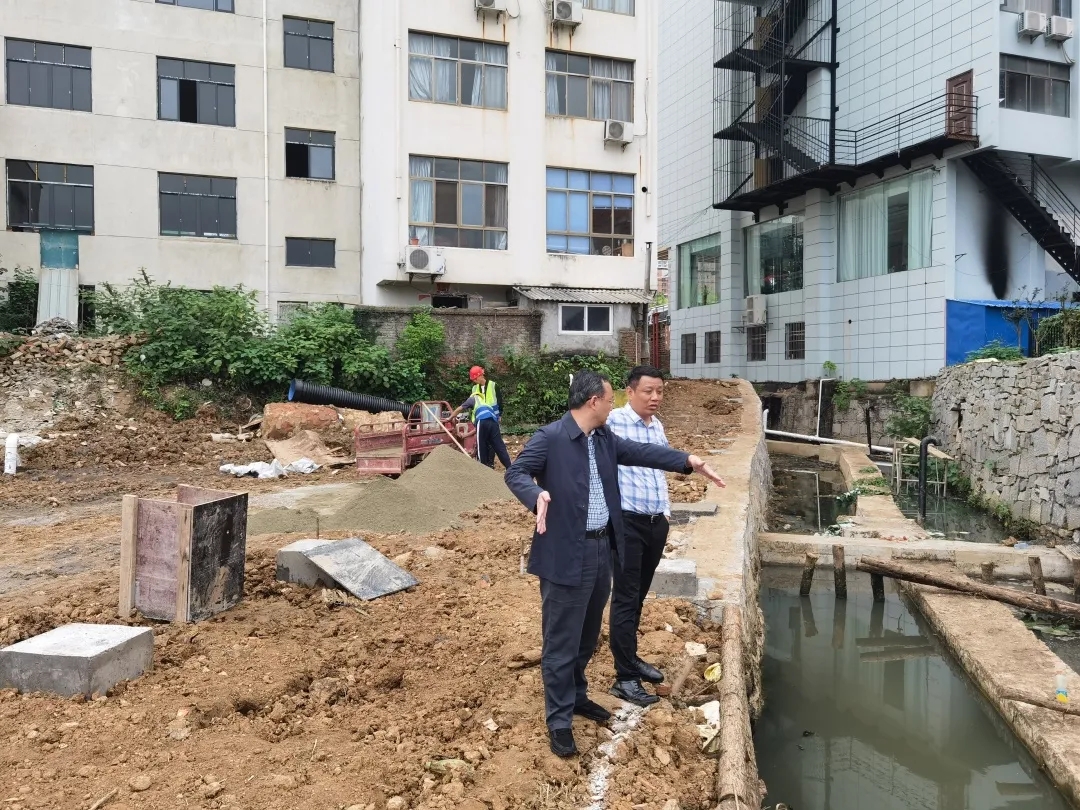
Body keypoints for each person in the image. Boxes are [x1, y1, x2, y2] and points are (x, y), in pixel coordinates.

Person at [504, 370, 725, 758]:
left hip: (600, 550)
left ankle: (576, 696)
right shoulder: (551, 437)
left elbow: (641, 452)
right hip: (565, 553)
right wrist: (535, 494)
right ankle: (559, 720)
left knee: (587, 636)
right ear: (594, 402)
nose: (613, 406)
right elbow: (516, 471)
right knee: (561, 641)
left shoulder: (603, 438)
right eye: (610, 400)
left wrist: (687, 461)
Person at [606, 366, 726, 706]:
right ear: (630, 392)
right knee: (626, 597)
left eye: (660, 391)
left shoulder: (656, 425)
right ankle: (624, 678)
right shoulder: (613, 423)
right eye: (648, 391)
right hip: (627, 522)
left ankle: (630, 659)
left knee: (639, 595)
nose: (655, 397)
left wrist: (665, 512)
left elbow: (656, 471)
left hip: (655, 522)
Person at [450, 365, 511, 469]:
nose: (474, 381)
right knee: (497, 445)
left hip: (491, 418)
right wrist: (466, 435)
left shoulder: (492, 385)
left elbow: (499, 402)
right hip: (489, 419)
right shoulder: (475, 389)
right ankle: (507, 467)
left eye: (475, 379)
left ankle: (486, 466)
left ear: (480, 376)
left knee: (486, 446)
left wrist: (500, 415)